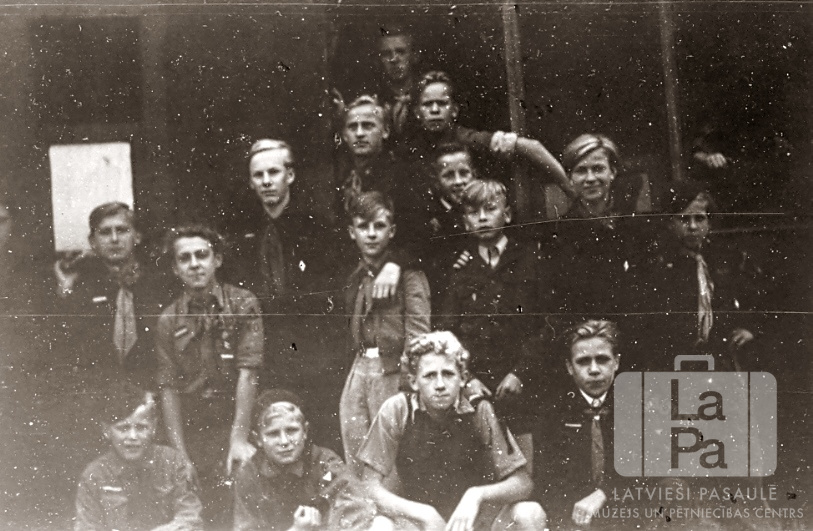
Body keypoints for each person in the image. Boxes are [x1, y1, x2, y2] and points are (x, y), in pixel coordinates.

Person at [225, 139, 403, 451]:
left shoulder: (317, 227)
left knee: (323, 435)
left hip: (316, 353)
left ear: (290, 176)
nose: (266, 181)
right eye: (258, 175)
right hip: (269, 350)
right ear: (251, 182)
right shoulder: (244, 231)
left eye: (273, 172)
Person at [359, 331, 546, 531]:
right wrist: (424, 514)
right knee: (381, 526)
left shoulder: (480, 410)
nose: (440, 385)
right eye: (430, 376)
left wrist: (476, 495)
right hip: (423, 525)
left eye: (448, 374)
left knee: (530, 513)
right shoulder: (397, 410)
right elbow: (369, 486)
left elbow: (523, 482)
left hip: (474, 524)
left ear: (463, 378)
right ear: (414, 382)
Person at [156, 225, 263, 525]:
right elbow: (168, 388)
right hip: (194, 425)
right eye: (185, 258)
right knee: (192, 498)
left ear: (217, 260)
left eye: (202, 255)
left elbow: (248, 373)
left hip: (237, 417)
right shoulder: (169, 319)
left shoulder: (242, 303)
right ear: (175, 268)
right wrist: (180, 455)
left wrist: (238, 439)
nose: (194, 264)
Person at [439, 179, 543, 459]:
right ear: (466, 222)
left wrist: (520, 373)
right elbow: (447, 331)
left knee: (525, 463)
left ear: (506, 215)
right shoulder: (461, 268)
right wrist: (468, 379)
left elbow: (546, 324)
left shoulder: (530, 260)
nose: (483, 218)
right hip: (478, 386)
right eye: (474, 213)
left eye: (490, 209)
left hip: (522, 383)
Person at [339, 191, 431, 475]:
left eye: (379, 226)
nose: (371, 234)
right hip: (359, 368)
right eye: (363, 227)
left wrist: (407, 380)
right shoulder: (356, 275)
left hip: (392, 370)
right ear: (352, 232)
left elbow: (418, 335)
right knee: (355, 444)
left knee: (389, 455)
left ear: (391, 231)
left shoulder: (409, 276)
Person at [633, 181, 762, 372]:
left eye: (700, 219)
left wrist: (750, 327)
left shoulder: (725, 258)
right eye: (684, 219)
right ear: (670, 223)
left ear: (709, 223)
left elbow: (752, 295)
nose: (692, 226)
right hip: (673, 359)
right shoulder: (657, 262)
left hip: (720, 355)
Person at [53, 201, 178, 388]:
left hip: (154, 389)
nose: (114, 239)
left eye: (122, 230)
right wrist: (66, 293)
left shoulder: (160, 285)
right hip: (100, 392)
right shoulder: (82, 288)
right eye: (105, 232)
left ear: (137, 236)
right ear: (92, 242)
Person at [402, 70, 573, 201]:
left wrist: (570, 190)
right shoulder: (410, 149)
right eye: (427, 104)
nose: (434, 110)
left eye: (442, 103)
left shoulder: (468, 139)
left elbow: (532, 147)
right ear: (417, 112)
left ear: (454, 110)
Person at [543, 134, 645, 344]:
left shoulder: (634, 227)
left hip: (633, 338)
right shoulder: (559, 234)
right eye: (581, 171)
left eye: (598, 169)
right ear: (570, 177)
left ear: (612, 172)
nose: (590, 178)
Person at [533, 320, 633, 530]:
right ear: (570, 367)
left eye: (602, 360)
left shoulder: (635, 406)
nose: (594, 370)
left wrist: (604, 493)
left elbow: (647, 471)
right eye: (583, 361)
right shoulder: (553, 414)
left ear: (616, 362)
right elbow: (548, 484)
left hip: (627, 513)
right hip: (574, 517)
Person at [234, 389, 376, 531]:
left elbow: (357, 512)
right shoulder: (250, 473)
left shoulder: (325, 465)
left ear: (305, 431)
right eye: (273, 434)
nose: (284, 441)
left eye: (292, 430)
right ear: (258, 439)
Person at [75, 383, 203, 531]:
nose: (133, 437)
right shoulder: (94, 475)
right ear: (106, 430)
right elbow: (87, 526)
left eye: (141, 427)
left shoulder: (172, 463)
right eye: (123, 428)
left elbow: (191, 519)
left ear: (153, 427)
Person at [398, 142, 474, 298]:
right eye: (449, 175)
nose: (458, 181)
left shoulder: (484, 210)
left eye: (464, 173)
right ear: (436, 180)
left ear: (474, 173)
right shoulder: (427, 216)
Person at [336, 95, 408, 214]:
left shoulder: (401, 178)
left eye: (368, 126)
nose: (359, 133)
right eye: (352, 127)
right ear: (344, 135)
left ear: (385, 131)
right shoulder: (343, 178)